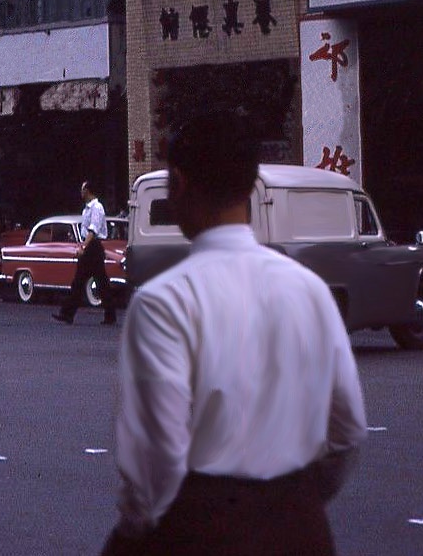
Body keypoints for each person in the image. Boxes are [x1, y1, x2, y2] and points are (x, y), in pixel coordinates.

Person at [100, 113, 366, 556]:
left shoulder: (163, 302)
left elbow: (156, 465)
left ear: (178, 184)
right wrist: (292, 499)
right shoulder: (308, 289)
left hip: (202, 531)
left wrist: (132, 534)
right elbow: (347, 431)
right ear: (249, 186)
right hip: (303, 529)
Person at [54, 180, 116, 326]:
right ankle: (67, 313)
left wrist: (84, 246)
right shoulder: (87, 209)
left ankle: (110, 315)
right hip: (89, 246)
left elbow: (93, 230)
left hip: (93, 246)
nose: (81, 192)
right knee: (80, 281)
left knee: (100, 282)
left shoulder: (97, 207)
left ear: (88, 190)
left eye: (82, 189)